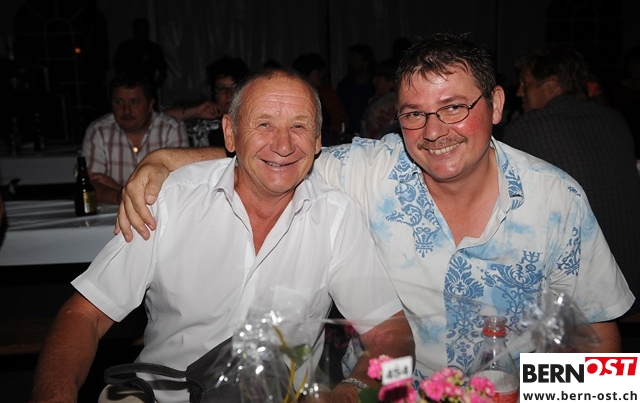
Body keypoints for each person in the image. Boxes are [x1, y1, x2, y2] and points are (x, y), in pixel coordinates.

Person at [115, 33, 634, 381]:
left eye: (454, 107)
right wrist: (167, 160)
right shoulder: (371, 171)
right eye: (414, 114)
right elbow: (276, 156)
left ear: (496, 104)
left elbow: (605, 351)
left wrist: (524, 392)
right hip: (384, 392)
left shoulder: (556, 200)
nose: (434, 131)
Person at [30, 68, 414, 403]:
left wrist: (349, 393)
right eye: (263, 125)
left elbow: (394, 336)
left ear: (317, 141)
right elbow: (85, 315)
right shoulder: (172, 200)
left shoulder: (336, 217)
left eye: (299, 126)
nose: (283, 145)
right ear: (230, 133)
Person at [501, 45, 640, 313]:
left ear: (552, 85)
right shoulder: (614, 119)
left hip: (583, 291)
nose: (519, 92)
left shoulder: (528, 128)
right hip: (631, 275)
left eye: (526, 84)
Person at [81, 71, 188, 205]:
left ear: (150, 104)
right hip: (112, 213)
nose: (126, 110)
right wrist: (121, 197)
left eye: (134, 102)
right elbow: (91, 185)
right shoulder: (98, 131)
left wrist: (120, 190)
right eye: (119, 102)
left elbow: (179, 186)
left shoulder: (171, 129)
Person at [182, 56, 249, 147]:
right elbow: (163, 118)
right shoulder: (204, 126)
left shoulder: (252, 122)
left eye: (234, 88)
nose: (228, 94)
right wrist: (195, 111)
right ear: (214, 93)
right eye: (222, 88)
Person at [292, 52, 347, 145]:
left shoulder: (327, 92)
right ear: (305, 73)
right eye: (318, 72)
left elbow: (341, 120)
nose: (322, 75)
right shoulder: (293, 96)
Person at [113, 17, 168, 95]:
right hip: (129, 90)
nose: (142, 32)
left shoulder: (154, 48)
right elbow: (118, 68)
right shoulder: (125, 48)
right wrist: (125, 84)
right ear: (135, 30)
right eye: (139, 29)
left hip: (147, 90)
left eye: (144, 29)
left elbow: (163, 71)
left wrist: (153, 87)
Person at [336, 44, 376, 136]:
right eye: (349, 59)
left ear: (365, 63)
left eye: (354, 60)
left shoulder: (375, 85)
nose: (350, 62)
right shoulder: (344, 85)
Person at [361, 58, 398, 139]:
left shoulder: (381, 105)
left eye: (378, 78)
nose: (374, 81)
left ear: (392, 82)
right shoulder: (376, 101)